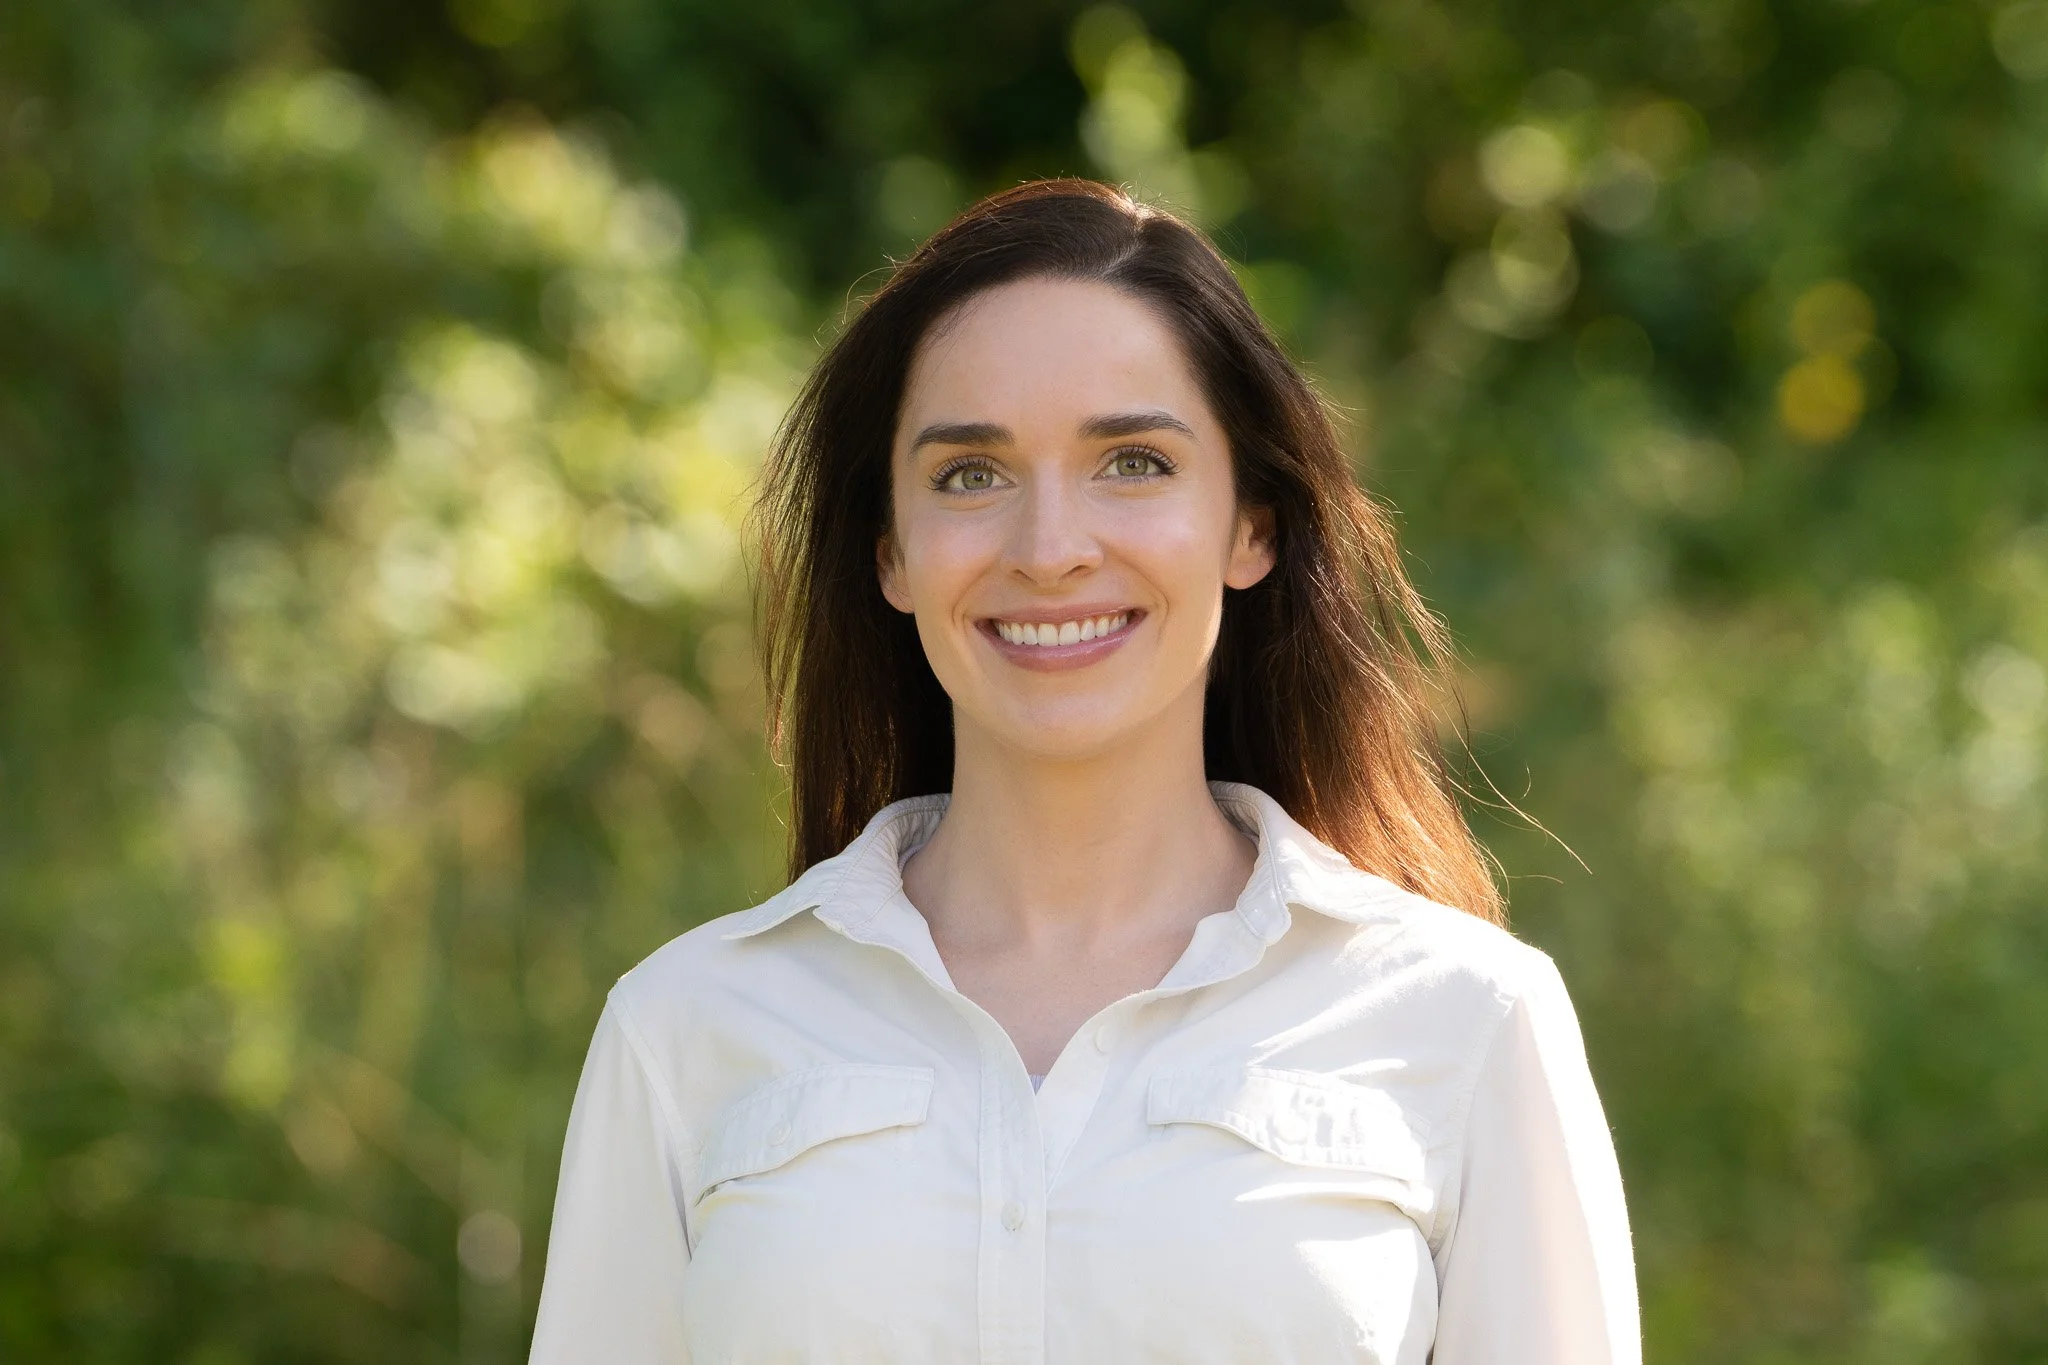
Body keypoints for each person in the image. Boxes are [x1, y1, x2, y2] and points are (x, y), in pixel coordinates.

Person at [528, 179, 1638, 1364]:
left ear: (1249, 525)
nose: (1050, 549)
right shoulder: (685, 1028)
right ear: (890, 551)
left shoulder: (1466, 1021)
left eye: (1133, 463)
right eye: (970, 475)